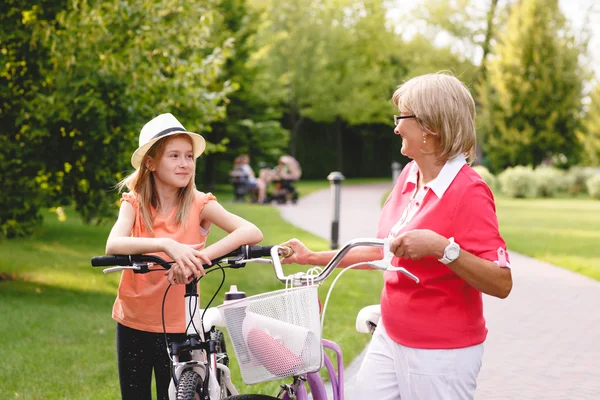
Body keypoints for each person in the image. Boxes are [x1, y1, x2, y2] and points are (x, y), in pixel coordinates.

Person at [281, 72, 512, 400]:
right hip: (391, 335)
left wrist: (441, 248)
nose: (395, 127)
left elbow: (501, 282)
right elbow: (381, 251)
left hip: (440, 352)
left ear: (431, 128)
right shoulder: (409, 175)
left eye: (401, 117)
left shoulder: (468, 191)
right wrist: (312, 256)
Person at [105, 113, 263, 400]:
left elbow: (251, 231)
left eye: (189, 156)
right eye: (174, 156)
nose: (184, 163)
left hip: (181, 326)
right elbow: (113, 244)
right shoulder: (133, 203)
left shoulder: (199, 203)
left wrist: (196, 260)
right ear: (150, 163)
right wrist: (166, 244)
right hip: (133, 322)